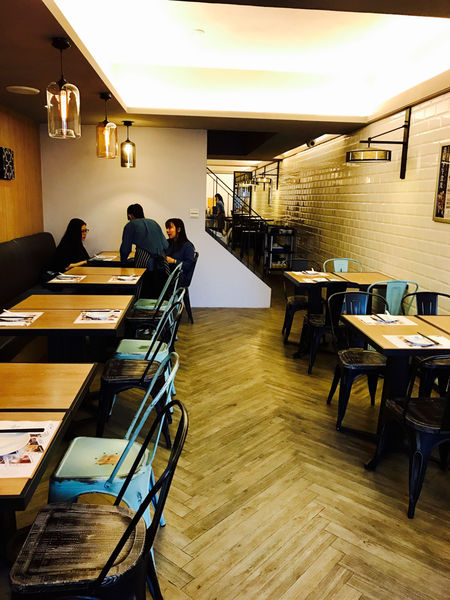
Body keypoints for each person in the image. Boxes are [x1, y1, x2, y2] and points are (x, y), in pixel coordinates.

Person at [120, 203, 168, 297]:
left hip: (144, 261)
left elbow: (125, 248)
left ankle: (137, 300)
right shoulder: (153, 222)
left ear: (130, 215)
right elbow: (165, 245)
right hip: (162, 262)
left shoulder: (131, 225)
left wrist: (123, 262)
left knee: (140, 284)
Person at [165, 218, 195, 287]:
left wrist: (174, 261)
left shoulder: (187, 246)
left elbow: (188, 265)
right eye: (167, 228)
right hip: (169, 274)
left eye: (170, 228)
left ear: (178, 229)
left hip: (177, 278)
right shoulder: (168, 243)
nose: (167, 230)